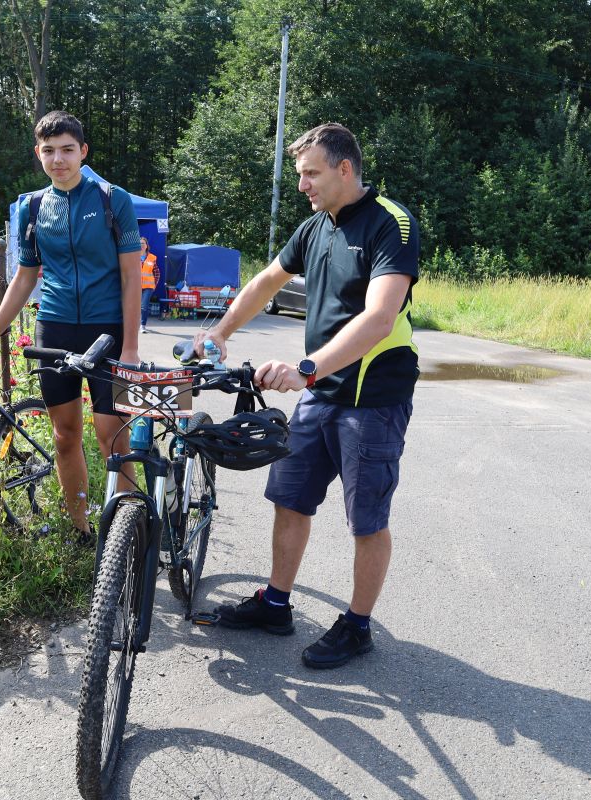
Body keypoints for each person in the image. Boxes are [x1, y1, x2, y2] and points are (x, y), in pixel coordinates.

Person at [192, 122, 419, 669]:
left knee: (367, 518)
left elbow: (379, 317)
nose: (302, 185)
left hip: (374, 394)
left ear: (345, 168)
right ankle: (276, 604)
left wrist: (306, 368)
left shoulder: (391, 223)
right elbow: (265, 283)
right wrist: (219, 333)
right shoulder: (315, 226)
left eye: (311, 173)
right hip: (320, 390)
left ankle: (357, 626)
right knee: (290, 496)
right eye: (300, 174)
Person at [0, 110, 142, 543]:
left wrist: (131, 347)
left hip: (108, 330)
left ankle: (131, 530)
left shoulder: (113, 199)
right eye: (49, 151)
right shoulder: (32, 207)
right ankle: (81, 530)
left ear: (83, 152)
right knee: (64, 435)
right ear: (38, 153)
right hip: (54, 328)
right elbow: (24, 279)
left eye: (67, 150)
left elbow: (132, 277)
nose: (58, 159)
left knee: (111, 434)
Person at [139, 236, 159, 332]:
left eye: (143, 243)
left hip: (148, 287)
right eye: (140, 243)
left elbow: (157, 272)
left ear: (147, 245)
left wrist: (154, 284)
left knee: (144, 306)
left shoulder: (152, 258)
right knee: (135, 306)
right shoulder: (133, 256)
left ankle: (142, 325)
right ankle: (134, 325)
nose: (141, 245)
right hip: (136, 286)